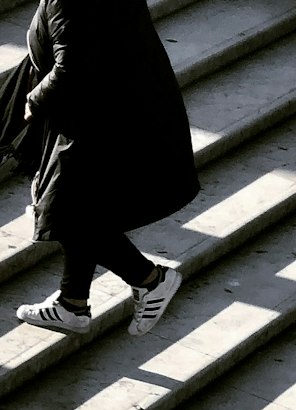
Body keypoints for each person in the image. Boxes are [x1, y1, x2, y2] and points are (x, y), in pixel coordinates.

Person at [15, 0, 199, 337]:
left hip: (104, 120)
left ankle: (149, 279)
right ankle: (72, 303)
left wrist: (34, 100)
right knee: (79, 204)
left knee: (69, 209)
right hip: (118, 112)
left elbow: (72, 66)